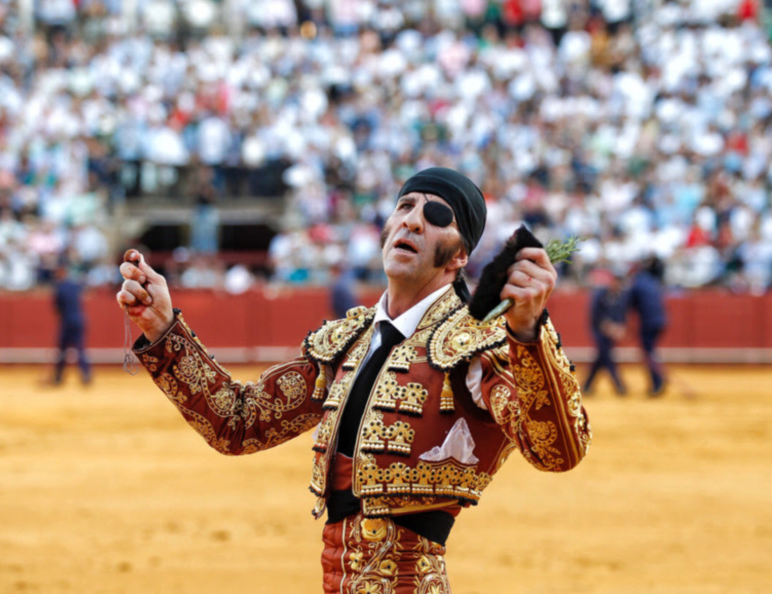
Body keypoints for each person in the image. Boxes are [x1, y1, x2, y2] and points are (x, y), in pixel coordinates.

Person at [117, 167, 591, 593]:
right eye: (404, 206)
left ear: (459, 254)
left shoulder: (476, 345)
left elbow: (557, 451)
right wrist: (162, 326)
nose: (411, 220)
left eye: (436, 215)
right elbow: (238, 424)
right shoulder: (349, 340)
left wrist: (528, 334)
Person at [583, 268, 627, 396]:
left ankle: (587, 386)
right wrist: (607, 326)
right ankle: (619, 386)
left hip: (610, 332)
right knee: (607, 357)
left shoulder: (618, 297)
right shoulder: (601, 295)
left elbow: (620, 316)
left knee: (601, 358)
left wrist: (618, 327)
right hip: (598, 331)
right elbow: (595, 316)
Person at [628, 255, 668, 396]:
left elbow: (628, 305)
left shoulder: (636, 283)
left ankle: (658, 381)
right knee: (650, 351)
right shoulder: (653, 281)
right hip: (661, 320)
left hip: (648, 322)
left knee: (648, 352)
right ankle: (658, 377)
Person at [53, 264, 92, 385]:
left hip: (67, 322)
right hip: (79, 320)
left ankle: (58, 377)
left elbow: (57, 308)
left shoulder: (59, 288)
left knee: (63, 350)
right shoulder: (75, 286)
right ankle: (86, 375)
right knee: (80, 349)